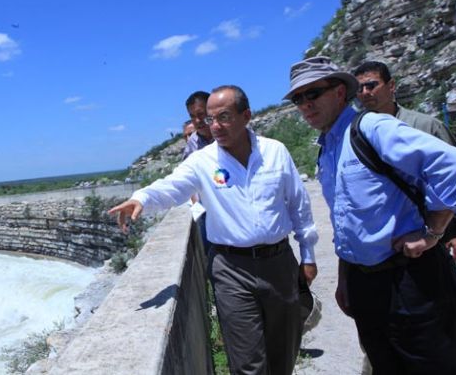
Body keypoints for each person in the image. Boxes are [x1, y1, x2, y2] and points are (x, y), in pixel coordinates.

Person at [110, 85, 318, 375]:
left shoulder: (275, 153)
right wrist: (141, 198)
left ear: (246, 115)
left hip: (279, 264)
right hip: (232, 270)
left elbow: (299, 205)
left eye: (224, 117)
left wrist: (308, 255)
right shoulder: (202, 161)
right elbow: (172, 187)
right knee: (248, 364)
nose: (215, 126)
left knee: (283, 354)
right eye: (210, 119)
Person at [285, 56, 456, 375]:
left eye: (313, 94)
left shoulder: (373, 128)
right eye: (298, 98)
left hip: (411, 280)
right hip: (367, 286)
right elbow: (346, 222)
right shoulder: (328, 148)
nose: (305, 105)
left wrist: (433, 232)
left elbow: (455, 170)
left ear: (340, 92)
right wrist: (345, 280)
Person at [352, 60, 456, 262]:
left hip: (430, 234)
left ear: (391, 85)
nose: (365, 92)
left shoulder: (424, 126)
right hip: (386, 245)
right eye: (359, 88)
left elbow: (454, 178)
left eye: (372, 85)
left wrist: (455, 232)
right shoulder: (355, 135)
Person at [182, 91, 216, 253]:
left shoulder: (228, 133)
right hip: (207, 210)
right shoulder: (193, 144)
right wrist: (197, 206)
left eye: (200, 114)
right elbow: (188, 179)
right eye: (192, 116)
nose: (197, 121)